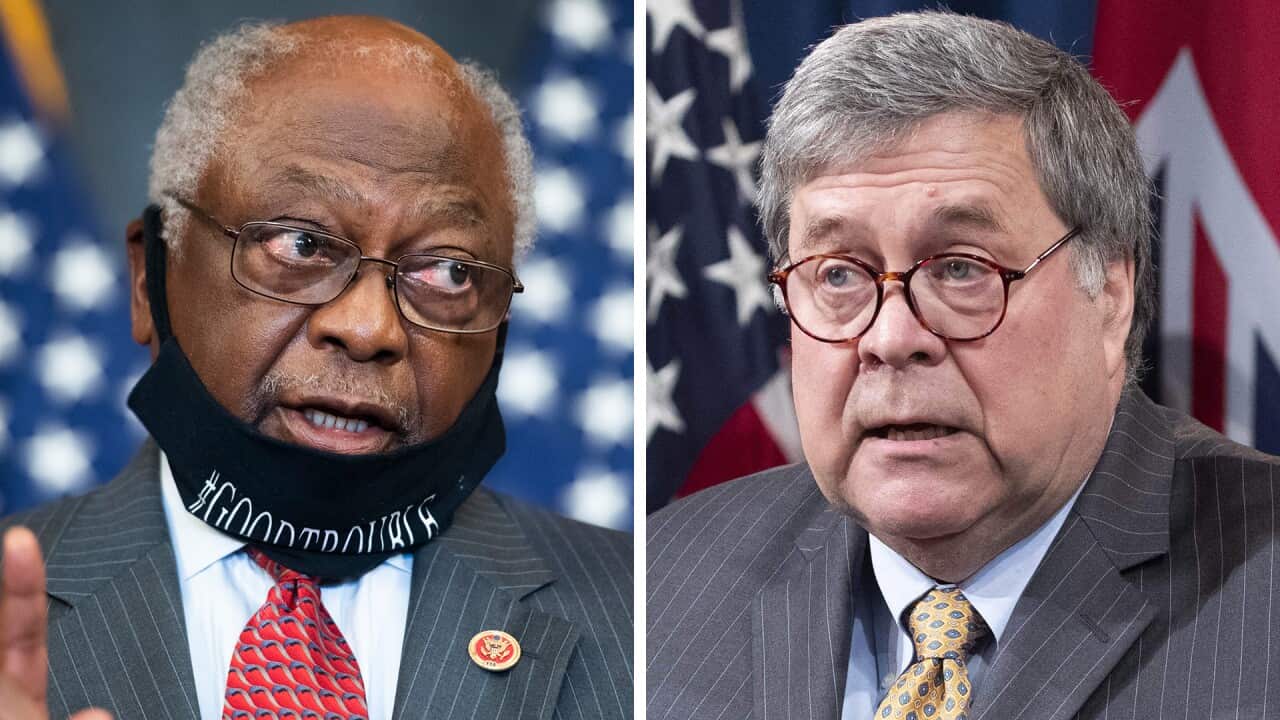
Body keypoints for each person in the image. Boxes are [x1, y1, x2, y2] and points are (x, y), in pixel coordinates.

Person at [647, 11, 1279, 720]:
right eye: (837, 275)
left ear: (1111, 297)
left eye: (959, 267)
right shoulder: (663, 582)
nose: (890, 337)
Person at [0, 15, 631, 720]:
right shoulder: (13, 612)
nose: (367, 328)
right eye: (300, 244)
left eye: (449, 271)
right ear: (152, 278)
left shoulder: (647, 620)